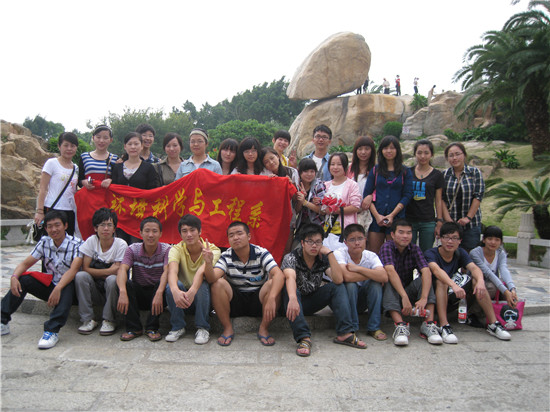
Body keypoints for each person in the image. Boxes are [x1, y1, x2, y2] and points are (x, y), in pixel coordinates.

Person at [1, 210, 83, 349]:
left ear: (65, 225)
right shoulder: (45, 242)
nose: (54, 229)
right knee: (23, 279)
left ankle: (52, 331)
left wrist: (58, 288)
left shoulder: (77, 244)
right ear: (46, 228)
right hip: (52, 285)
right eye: (50, 226)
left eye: (57, 225)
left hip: (71, 289)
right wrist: (14, 277)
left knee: (68, 284)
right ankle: (2, 321)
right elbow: (25, 264)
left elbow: (73, 270)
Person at [281, 224, 367, 357]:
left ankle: (345, 333)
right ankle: (304, 338)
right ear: (302, 243)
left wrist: (330, 254)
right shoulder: (291, 257)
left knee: (337, 287)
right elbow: (290, 278)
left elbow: (338, 279)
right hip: (291, 302)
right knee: (290, 290)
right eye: (310, 241)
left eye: (318, 242)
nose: (314, 246)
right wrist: (292, 298)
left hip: (311, 301)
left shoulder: (322, 259)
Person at [425, 222, 511, 343]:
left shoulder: (460, 252)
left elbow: (474, 268)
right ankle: (444, 325)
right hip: (435, 296)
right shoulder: (431, 253)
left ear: (460, 241)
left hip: (454, 295)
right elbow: (436, 270)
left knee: (476, 280)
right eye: (446, 237)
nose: (450, 241)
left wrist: (480, 281)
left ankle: (493, 324)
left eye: (454, 238)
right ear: (440, 238)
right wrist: (453, 285)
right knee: (441, 281)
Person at [205, 222, 284, 347]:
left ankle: (263, 328)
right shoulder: (226, 256)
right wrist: (208, 263)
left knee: (273, 283)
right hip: (235, 300)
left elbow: (278, 274)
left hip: (258, 300)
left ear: (249, 236)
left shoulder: (261, 253)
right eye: (231, 235)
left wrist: (272, 298)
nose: (235, 237)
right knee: (217, 284)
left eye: (239, 233)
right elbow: (212, 278)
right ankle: (227, 328)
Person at [380, 219, 441, 346]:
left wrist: (424, 298)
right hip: (391, 294)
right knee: (388, 279)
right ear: (393, 234)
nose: (405, 236)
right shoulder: (387, 247)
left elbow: (426, 271)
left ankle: (429, 324)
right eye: (401, 232)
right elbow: (390, 271)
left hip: (407, 290)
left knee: (425, 278)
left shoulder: (414, 249)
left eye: (408, 233)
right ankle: (400, 325)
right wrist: (404, 296)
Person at [165, 214, 221, 344]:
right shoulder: (176, 249)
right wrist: (175, 290)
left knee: (203, 285)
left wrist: (193, 291)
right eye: (184, 231)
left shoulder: (212, 250)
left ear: (200, 231)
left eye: (192, 230)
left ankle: (203, 327)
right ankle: (178, 327)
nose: (189, 234)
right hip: (182, 299)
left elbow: (201, 272)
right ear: (180, 234)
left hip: (203, 299)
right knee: (171, 286)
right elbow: (172, 271)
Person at [74, 208, 128, 336]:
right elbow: (85, 268)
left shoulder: (121, 244)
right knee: (81, 276)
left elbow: (118, 271)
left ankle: (109, 320)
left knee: (112, 279)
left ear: (114, 228)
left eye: (109, 225)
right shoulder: (91, 241)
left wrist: (99, 272)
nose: (106, 228)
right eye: (102, 225)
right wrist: (108, 270)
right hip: (95, 289)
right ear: (95, 228)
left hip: (112, 291)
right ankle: (87, 319)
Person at [116, 216, 170, 342]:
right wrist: (122, 292)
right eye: (147, 231)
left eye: (154, 231)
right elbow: (122, 269)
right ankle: (134, 328)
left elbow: (167, 271)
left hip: (157, 293)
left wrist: (159, 293)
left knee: (163, 285)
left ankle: (152, 328)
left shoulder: (167, 250)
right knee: (126, 284)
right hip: (139, 291)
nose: (150, 235)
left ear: (160, 234)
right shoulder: (132, 249)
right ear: (140, 233)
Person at [335, 224, 388, 341]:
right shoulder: (340, 253)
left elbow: (384, 277)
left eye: (360, 239)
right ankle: (352, 327)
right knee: (350, 285)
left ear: (365, 239)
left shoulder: (371, 256)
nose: (357, 243)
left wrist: (358, 269)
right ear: (345, 242)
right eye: (352, 240)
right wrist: (372, 274)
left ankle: (374, 327)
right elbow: (347, 277)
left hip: (363, 300)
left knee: (375, 284)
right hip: (345, 301)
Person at [361, 135, 413, 254]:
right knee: (374, 253)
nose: (389, 151)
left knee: (394, 254)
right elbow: (367, 194)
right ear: (381, 151)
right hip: (376, 218)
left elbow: (407, 195)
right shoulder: (376, 170)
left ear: (397, 150)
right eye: (385, 148)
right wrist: (377, 216)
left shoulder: (405, 171)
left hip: (397, 218)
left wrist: (392, 215)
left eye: (392, 148)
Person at [109, 132, 160, 244]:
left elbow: (153, 192)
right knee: (121, 244)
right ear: (125, 146)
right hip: (121, 216)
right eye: (130, 144)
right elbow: (113, 191)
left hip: (140, 215)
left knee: (136, 245)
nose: (133, 147)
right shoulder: (117, 167)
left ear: (141, 146)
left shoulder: (149, 168)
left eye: (136, 144)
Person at [469, 226, 519, 327]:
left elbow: (504, 270)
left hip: (491, 284)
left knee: (506, 288)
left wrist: (512, 289)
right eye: (490, 239)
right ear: (484, 240)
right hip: (475, 286)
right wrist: (505, 291)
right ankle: (473, 313)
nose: (493, 242)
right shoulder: (475, 253)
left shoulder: (500, 253)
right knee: (492, 287)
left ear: (501, 242)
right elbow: (488, 273)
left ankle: (502, 316)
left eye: (497, 240)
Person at [441, 142, 485, 252]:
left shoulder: (474, 172)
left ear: (464, 155)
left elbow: (478, 196)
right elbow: (441, 199)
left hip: (471, 225)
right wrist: (448, 220)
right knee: (450, 255)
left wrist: (468, 218)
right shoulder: (444, 175)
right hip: (451, 225)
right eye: (451, 155)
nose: (454, 158)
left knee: (470, 255)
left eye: (457, 154)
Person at [35, 132, 79, 236]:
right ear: (59, 146)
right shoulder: (52, 163)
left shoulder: (76, 168)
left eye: (72, 146)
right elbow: (43, 188)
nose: (69, 149)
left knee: (68, 240)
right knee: (50, 240)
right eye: (66, 145)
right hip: (53, 208)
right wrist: (40, 211)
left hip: (69, 210)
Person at [406, 140, 445, 252]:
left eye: (426, 153)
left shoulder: (437, 175)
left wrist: (439, 220)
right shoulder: (408, 172)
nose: (422, 156)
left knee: (426, 252)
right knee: (408, 251)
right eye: (419, 153)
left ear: (431, 154)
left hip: (428, 220)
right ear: (415, 154)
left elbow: (438, 200)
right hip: (409, 219)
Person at [321, 152, 362, 250]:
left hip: (344, 229)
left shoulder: (352, 185)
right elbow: (322, 208)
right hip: (327, 229)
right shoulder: (325, 185)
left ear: (345, 166)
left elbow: (355, 206)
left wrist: (336, 210)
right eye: (332, 164)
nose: (335, 167)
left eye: (339, 164)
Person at [293, 158, 326, 248]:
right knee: (295, 249)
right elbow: (296, 211)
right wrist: (301, 201)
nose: (309, 174)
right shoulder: (296, 185)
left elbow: (323, 210)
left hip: (317, 225)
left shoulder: (318, 185)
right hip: (301, 225)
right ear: (300, 172)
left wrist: (305, 202)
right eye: (306, 171)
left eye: (312, 171)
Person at [347, 136, 376, 232]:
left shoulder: (376, 169)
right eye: (360, 149)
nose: (363, 152)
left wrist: (371, 196)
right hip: (351, 211)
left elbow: (381, 188)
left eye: (367, 149)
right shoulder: (349, 168)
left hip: (370, 212)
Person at [78, 125, 118, 190]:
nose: (101, 141)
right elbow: (79, 179)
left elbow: (118, 180)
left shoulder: (115, 159)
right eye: (98, 137)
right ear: (93, 138)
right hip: (89, 194)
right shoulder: (84, 157)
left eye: (105, 138)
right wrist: (83, 182)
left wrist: (111, 181)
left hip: (107, 195)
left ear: (111, 140)